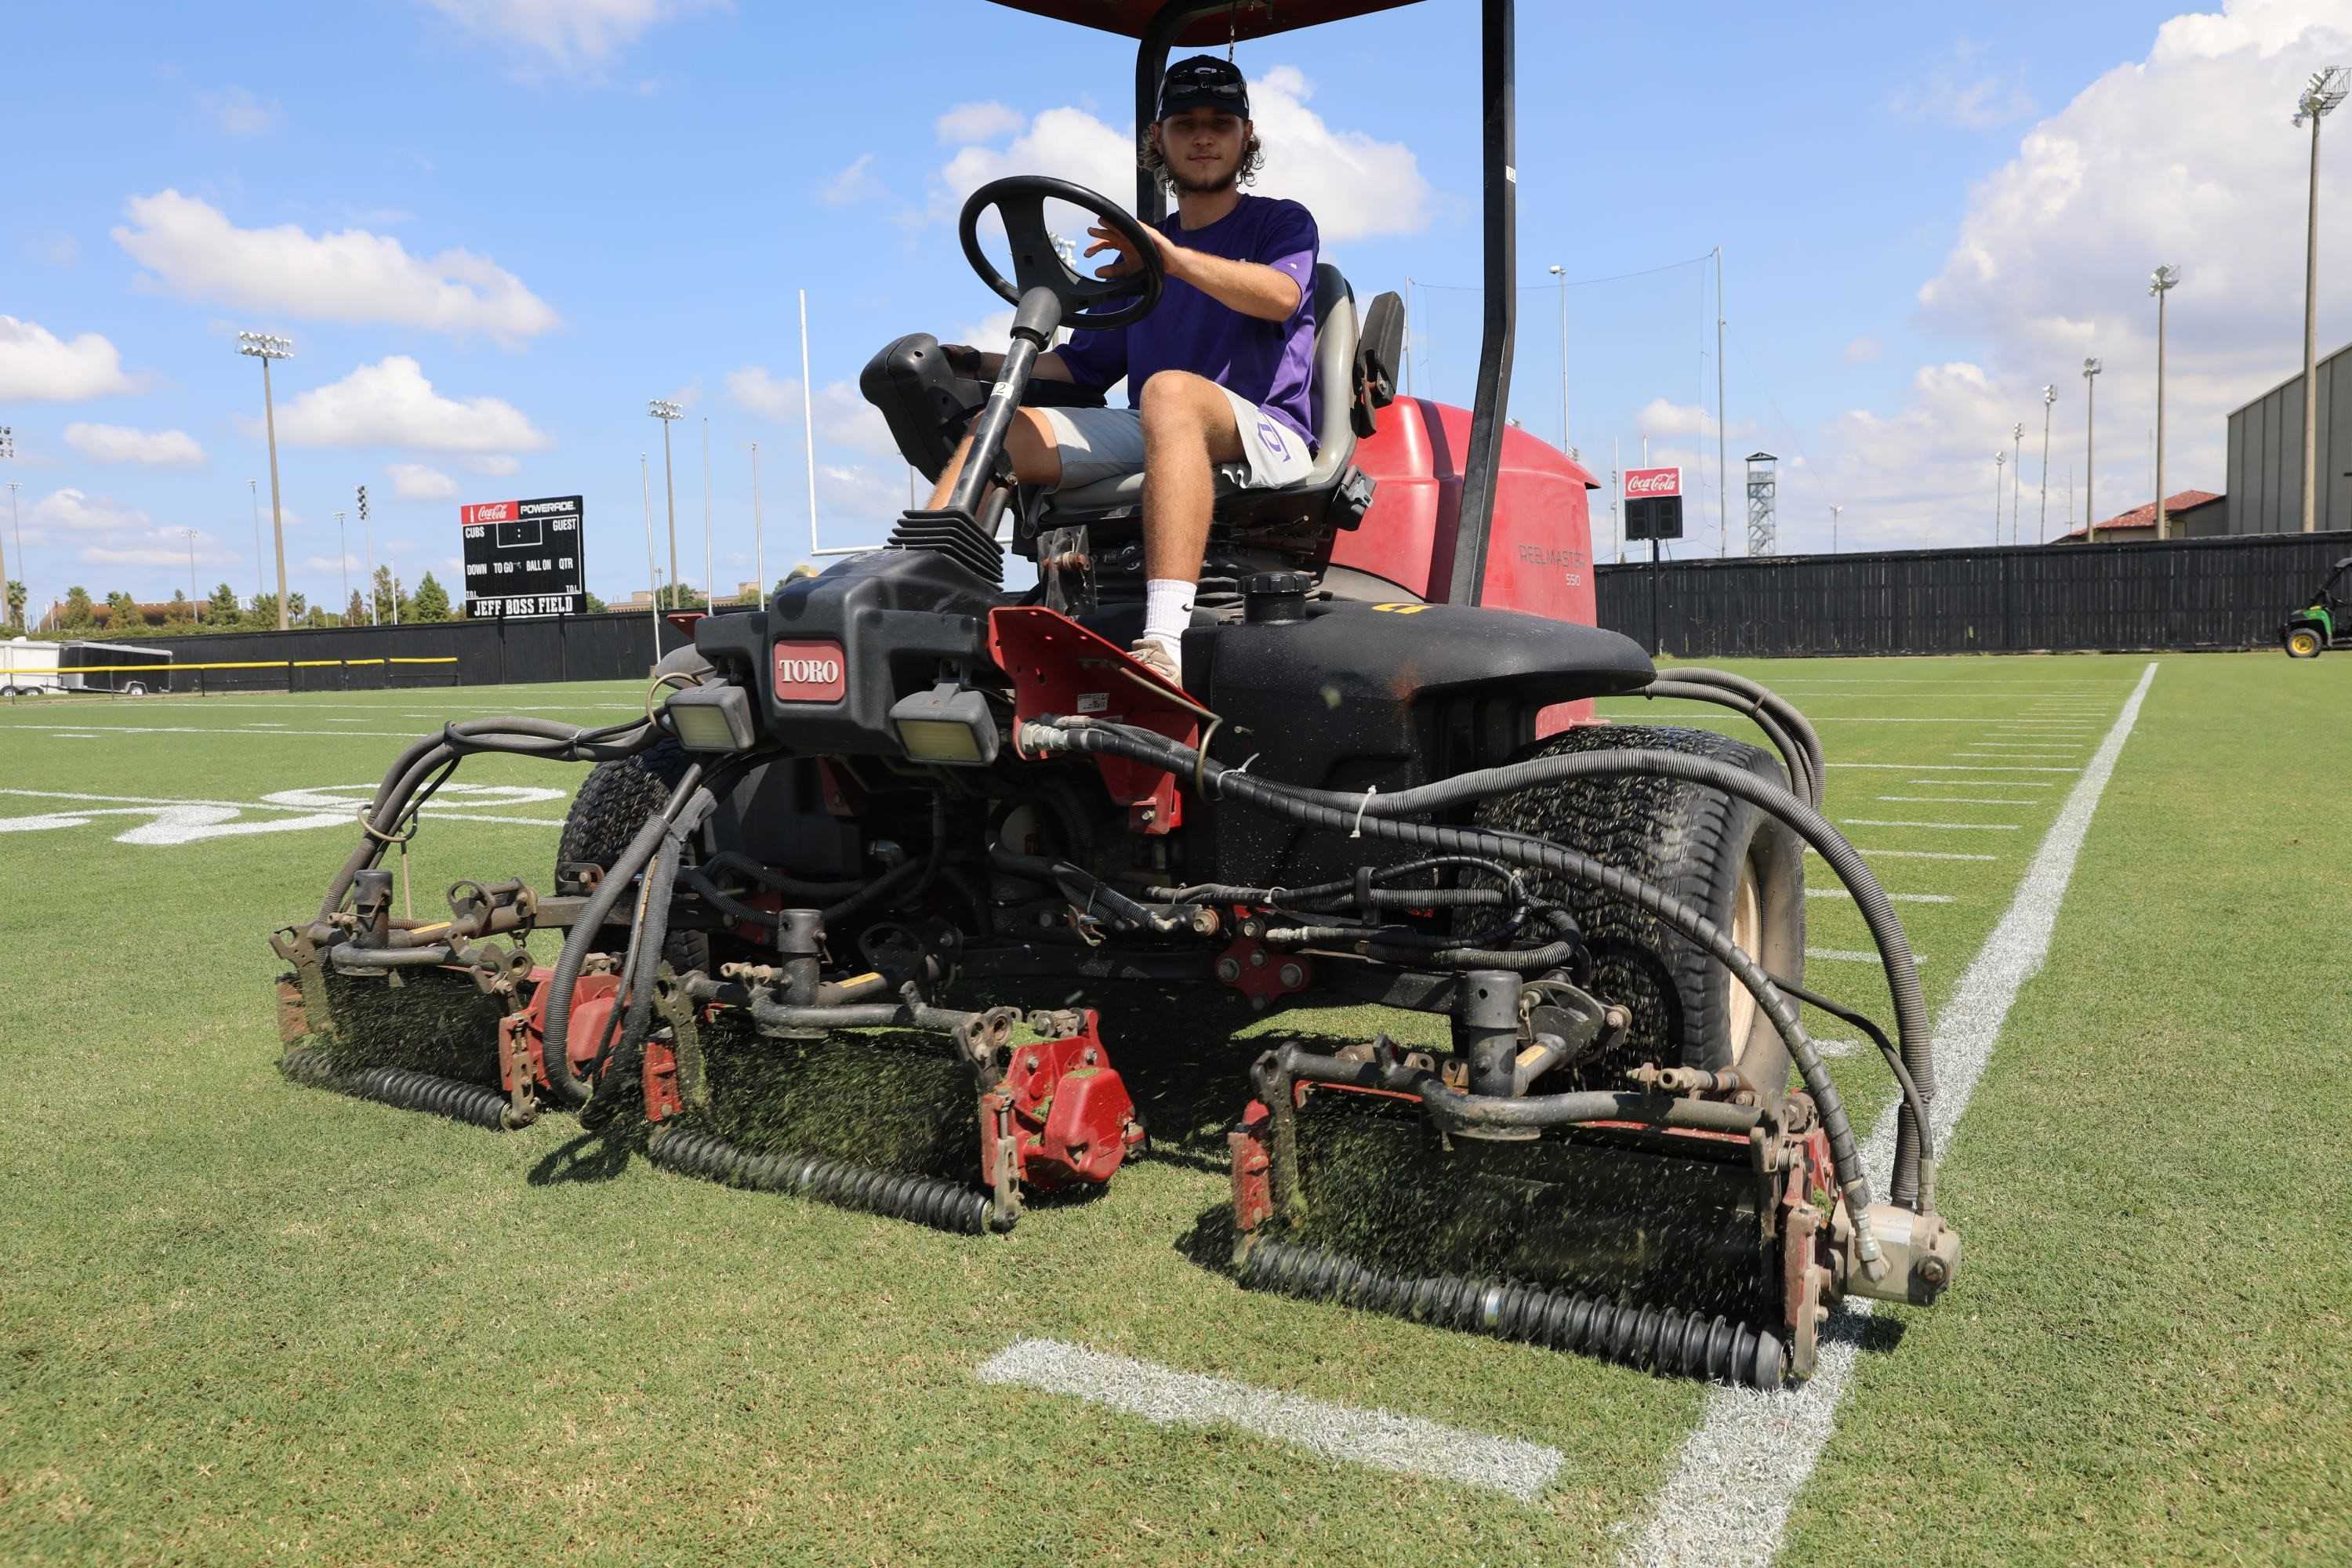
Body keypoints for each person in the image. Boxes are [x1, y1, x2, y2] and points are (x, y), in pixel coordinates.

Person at [930, 53, 1320, 684]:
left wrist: (1171, 259)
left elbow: (1279, 296)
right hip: (1157, 428)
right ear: (1157, 140)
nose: (1201, 136)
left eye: (1220, 123)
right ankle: (926, 601)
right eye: (1184, 122)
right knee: (995, 430)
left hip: (1267, 433)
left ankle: (1164, 639)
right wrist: (974, 362)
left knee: (1168, 392)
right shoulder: (1145, 259)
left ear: (1245, 137)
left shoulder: (1279, 223)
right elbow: (1081, 368)